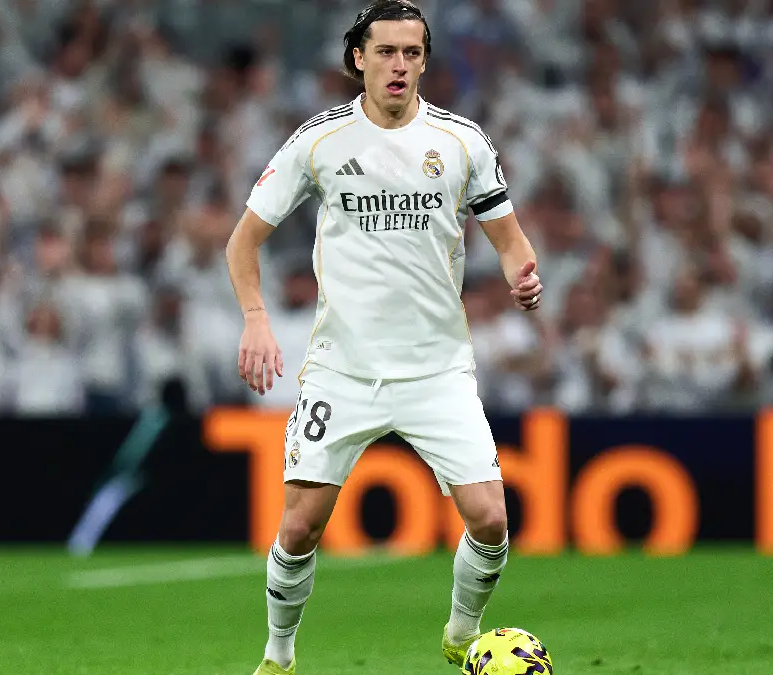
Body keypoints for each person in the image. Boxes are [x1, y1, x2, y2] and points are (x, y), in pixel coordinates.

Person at [224, 2, 543, 673]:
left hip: (436, 369)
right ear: (358, 58)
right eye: (386, 52)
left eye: (411, 53)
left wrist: (522, 275)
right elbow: (244, 240)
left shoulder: (462, 142)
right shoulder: (320, 140)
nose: (399, 65)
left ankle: (461, 634)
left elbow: (510, 240)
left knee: (490, 519)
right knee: (300, 526)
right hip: (344, 369)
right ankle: (278, 657)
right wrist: (255, 316)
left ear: (425, 60)